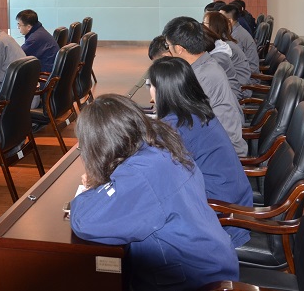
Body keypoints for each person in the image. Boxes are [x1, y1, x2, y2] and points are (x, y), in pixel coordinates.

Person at [70, 94, 238, 291]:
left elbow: (85, 220)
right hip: (211, 263)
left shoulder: (142, 175)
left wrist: (94, 187)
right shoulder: (159, 143)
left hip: (191, 280)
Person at [149, 56, 255, 248]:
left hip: (221, 217)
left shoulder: (176, 127)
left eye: (151, 85)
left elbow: (154, 173)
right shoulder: (197, 113)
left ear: (162, 91)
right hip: (234, 202)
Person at [162, 16, 247, 156]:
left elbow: (184, 119)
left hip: (222, 152)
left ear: (179, 48)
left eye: (167, 46)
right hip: (215, 142)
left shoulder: (203, 75)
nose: (168, 51)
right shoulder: (204, 65)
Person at [204, 11, 254, 89]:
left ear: (213, 26)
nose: (202, 27)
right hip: (234, 84)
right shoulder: (223, 42)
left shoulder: (224, 47)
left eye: (205, 23)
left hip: (240, 88)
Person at [218, 3, 260, 75]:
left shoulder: (236, 36)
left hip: (247, 75)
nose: (218, 21)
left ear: (229, 21)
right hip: (241, 71)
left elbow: (232, 60)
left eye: (220, 18)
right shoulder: (233, 31)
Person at [15, 9, 59, 73]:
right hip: (50, 66)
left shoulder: (34, 39)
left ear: (28, 27)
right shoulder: (39, 30)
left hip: (46, 72)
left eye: (19, 25)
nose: (18, 27)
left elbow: (18, 56)